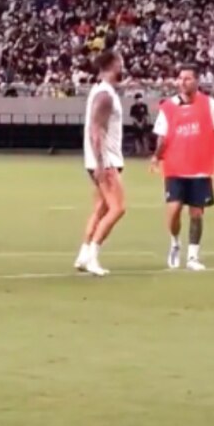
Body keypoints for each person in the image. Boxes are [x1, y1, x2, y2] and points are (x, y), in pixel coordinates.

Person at [152, 66, 214, 271]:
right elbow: (162, 137)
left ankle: (192, 256)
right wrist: (156, 156)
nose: (182, 82)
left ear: (197, 81)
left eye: (187, 78)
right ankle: (175, 242)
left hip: (200, 167)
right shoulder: (168, 107)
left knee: (196, 213)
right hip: (175, 167)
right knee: (174, 210)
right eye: (180, 78)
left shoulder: (210, 104)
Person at [75, 51, 127, 276]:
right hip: (106, 161)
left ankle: (83, 254)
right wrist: (100, 164)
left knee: (101, 208)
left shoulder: (101, 90)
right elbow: (95, 130)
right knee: (118, 208)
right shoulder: (105, 95)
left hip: (101, 159)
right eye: (121, 64)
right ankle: (93, 256)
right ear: (113, 65)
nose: (123, 67)